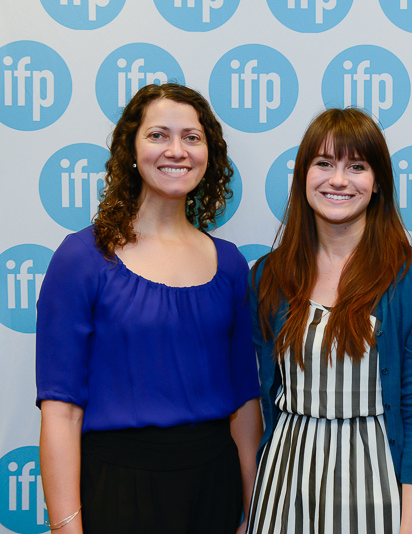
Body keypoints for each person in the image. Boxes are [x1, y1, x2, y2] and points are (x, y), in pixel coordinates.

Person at [36, 83, 262, 534]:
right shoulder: (82, 258)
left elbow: (244, 403)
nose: (176, 150)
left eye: (191, 137)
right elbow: (61, 411)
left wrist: (255, 514)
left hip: (213, 487)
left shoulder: (232, 264)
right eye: (158, 135)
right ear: (130, 150)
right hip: (118, 488)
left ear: (209, 155)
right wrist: (65, 528)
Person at [246, 108, 412, 534]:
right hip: (287, 484)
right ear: (303, 177)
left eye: (356, 166)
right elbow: (265, 395)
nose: (338, 180)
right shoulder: (269, 274)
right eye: (324, 163)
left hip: (382, 487)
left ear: (377, 185)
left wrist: (411, 528)